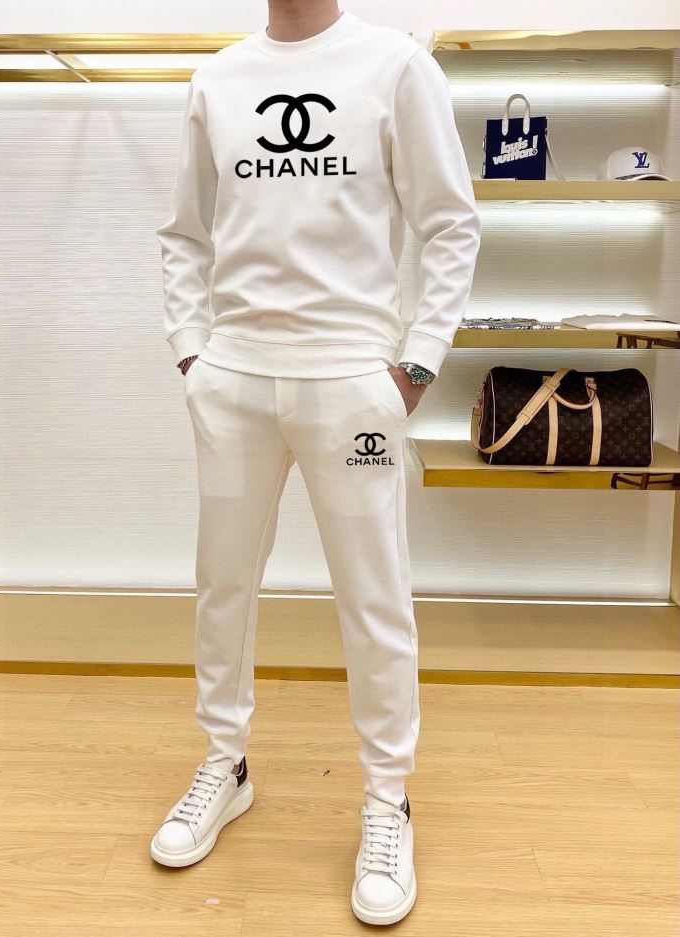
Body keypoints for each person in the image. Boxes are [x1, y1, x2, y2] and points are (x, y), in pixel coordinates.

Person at [150, 1, 481, 926]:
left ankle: (387, 799)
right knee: (222, 583)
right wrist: (192, 353)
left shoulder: (396, 66)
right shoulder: (218, 78)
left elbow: (450, 223)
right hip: (234, 380)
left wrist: (416, 365)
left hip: (352, 383)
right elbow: (184, 233)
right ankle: (226, 766)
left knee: (376, 598)